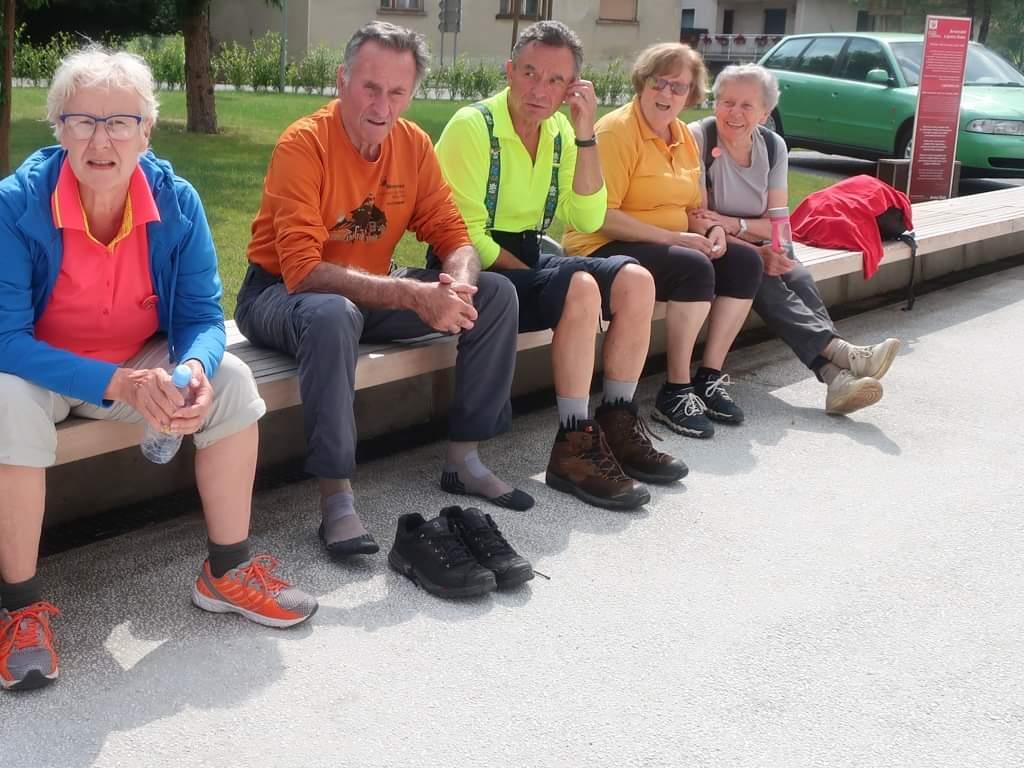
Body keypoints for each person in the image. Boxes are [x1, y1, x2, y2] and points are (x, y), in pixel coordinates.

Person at [0, 48, 318, 693]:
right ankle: (18, 608)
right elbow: (5, 340)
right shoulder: (16, 205)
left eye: (121, 122)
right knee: (3, 398)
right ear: (58, 128)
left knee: (231, 380)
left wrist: (193, 368)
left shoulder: (177, 201)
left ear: (147, 131)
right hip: (43, 373)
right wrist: (117, 383)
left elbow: (202, 315)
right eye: (82, 121)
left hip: (137, 363)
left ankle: (226, 572)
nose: (101, 140)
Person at [235, 21, 527, 566]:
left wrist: (459, 286)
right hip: (279, 293)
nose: (382, 106)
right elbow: (302, 270)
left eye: (397, 92)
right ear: (342, 80)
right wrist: (414, 295)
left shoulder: (412, 145)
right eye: (370, 88)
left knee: (496, 294)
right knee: (332, 315)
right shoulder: (304, 143)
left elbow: (454, 236)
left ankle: (464, 460)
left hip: (365, 292)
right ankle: (336, 497)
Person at [436, 21, 686, 512]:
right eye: (530, 73)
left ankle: (616, 423)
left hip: (531, 261)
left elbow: (587, 216)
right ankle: (573, 443)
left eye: (556, 80)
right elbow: (465, 236)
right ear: (510, 71)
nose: (539, 90)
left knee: (636, 280)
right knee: (580, 284)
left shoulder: (560, 133)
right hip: (474, 269)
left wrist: (586, 134)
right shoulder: (472, 127)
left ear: (573, 87)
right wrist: (542, 274)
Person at [564, 43, 763, 440]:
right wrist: (675, 238)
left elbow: (693, 207)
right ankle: (676, 389)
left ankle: (708, 377)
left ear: (690, 95)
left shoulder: (683, 136)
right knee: (692, 267)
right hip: (602, 247)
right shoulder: (616, 131)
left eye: (679, 87)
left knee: (745, 263)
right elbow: (603, 216)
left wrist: (712, 230)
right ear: (643, 82)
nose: (667, 94)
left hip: (666, 243)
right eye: (660, 83)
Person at [687, 63, 900, 414]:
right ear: (715, 103)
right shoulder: (699, 138)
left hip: (751, 242)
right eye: (727, 102)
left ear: (765, 113)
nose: (734, 113)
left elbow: (779, 226)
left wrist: (742, 228)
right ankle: (842, 355)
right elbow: (699, 219)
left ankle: (836, 378)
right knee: (757, 271)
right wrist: (749, 239)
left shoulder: (773, 146)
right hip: (715, 248)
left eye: (746, 105)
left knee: (797, 276)